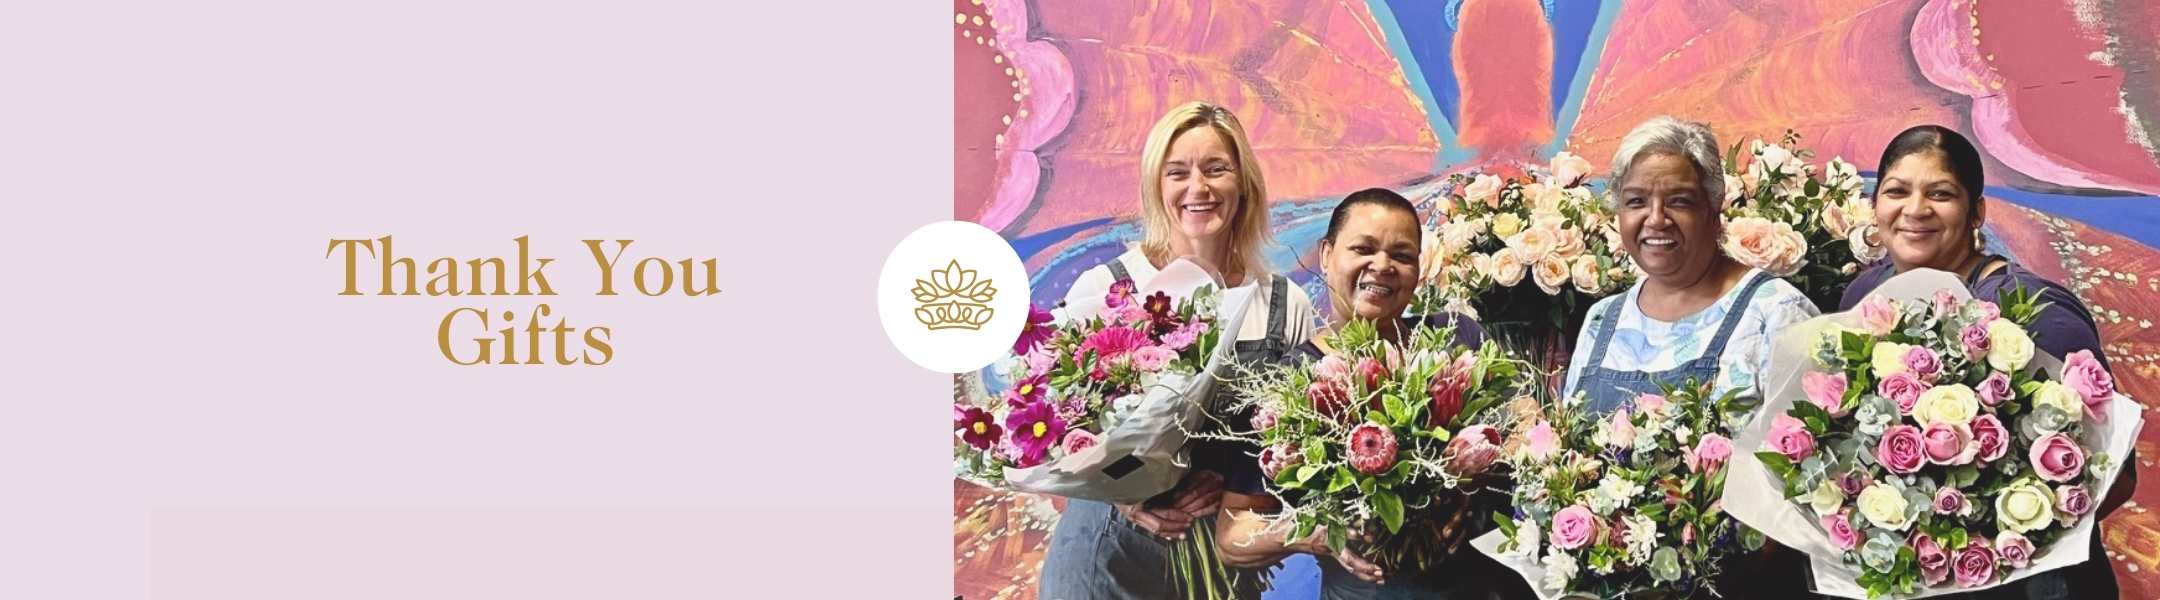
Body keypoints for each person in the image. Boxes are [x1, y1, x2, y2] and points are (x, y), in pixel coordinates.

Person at [1829, 125, 2129, 600]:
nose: (1915, 210)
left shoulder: (2033, 310)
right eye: (1897, 191)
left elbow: (2117, 476)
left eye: (1941, 193)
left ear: (1977, 211)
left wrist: (1999, 544)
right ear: (1875, 206)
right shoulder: (1865, 296)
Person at [1037, 100, 1318, 599]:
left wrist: (1243, 490)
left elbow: (1294, 443)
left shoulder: (1284, 302)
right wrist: (1126, 495)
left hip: (1222, 561)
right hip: (1108, 552)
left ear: (1244, 185)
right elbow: (1062, 431)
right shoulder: (1108, 288)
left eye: (1217, 169)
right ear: (1156, 187)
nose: (1199, 188)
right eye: (1178, 173)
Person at [1211, 188, 1522, 599]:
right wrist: (1318, 531)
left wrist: (1473, 475)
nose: (1383, 265)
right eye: (1363, 248)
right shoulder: (1287, 379)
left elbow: (1531, 434)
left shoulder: (1458, 339)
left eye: (1402, 255)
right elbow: (1232, 534)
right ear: (1326, 254)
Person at [1560, 116, 1818, 412]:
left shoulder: (1777, 312)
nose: (1656, 219)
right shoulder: (1602, 319)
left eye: (1679, 201)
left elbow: (1811, 447)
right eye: (1636, 202)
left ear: (1713, 209)